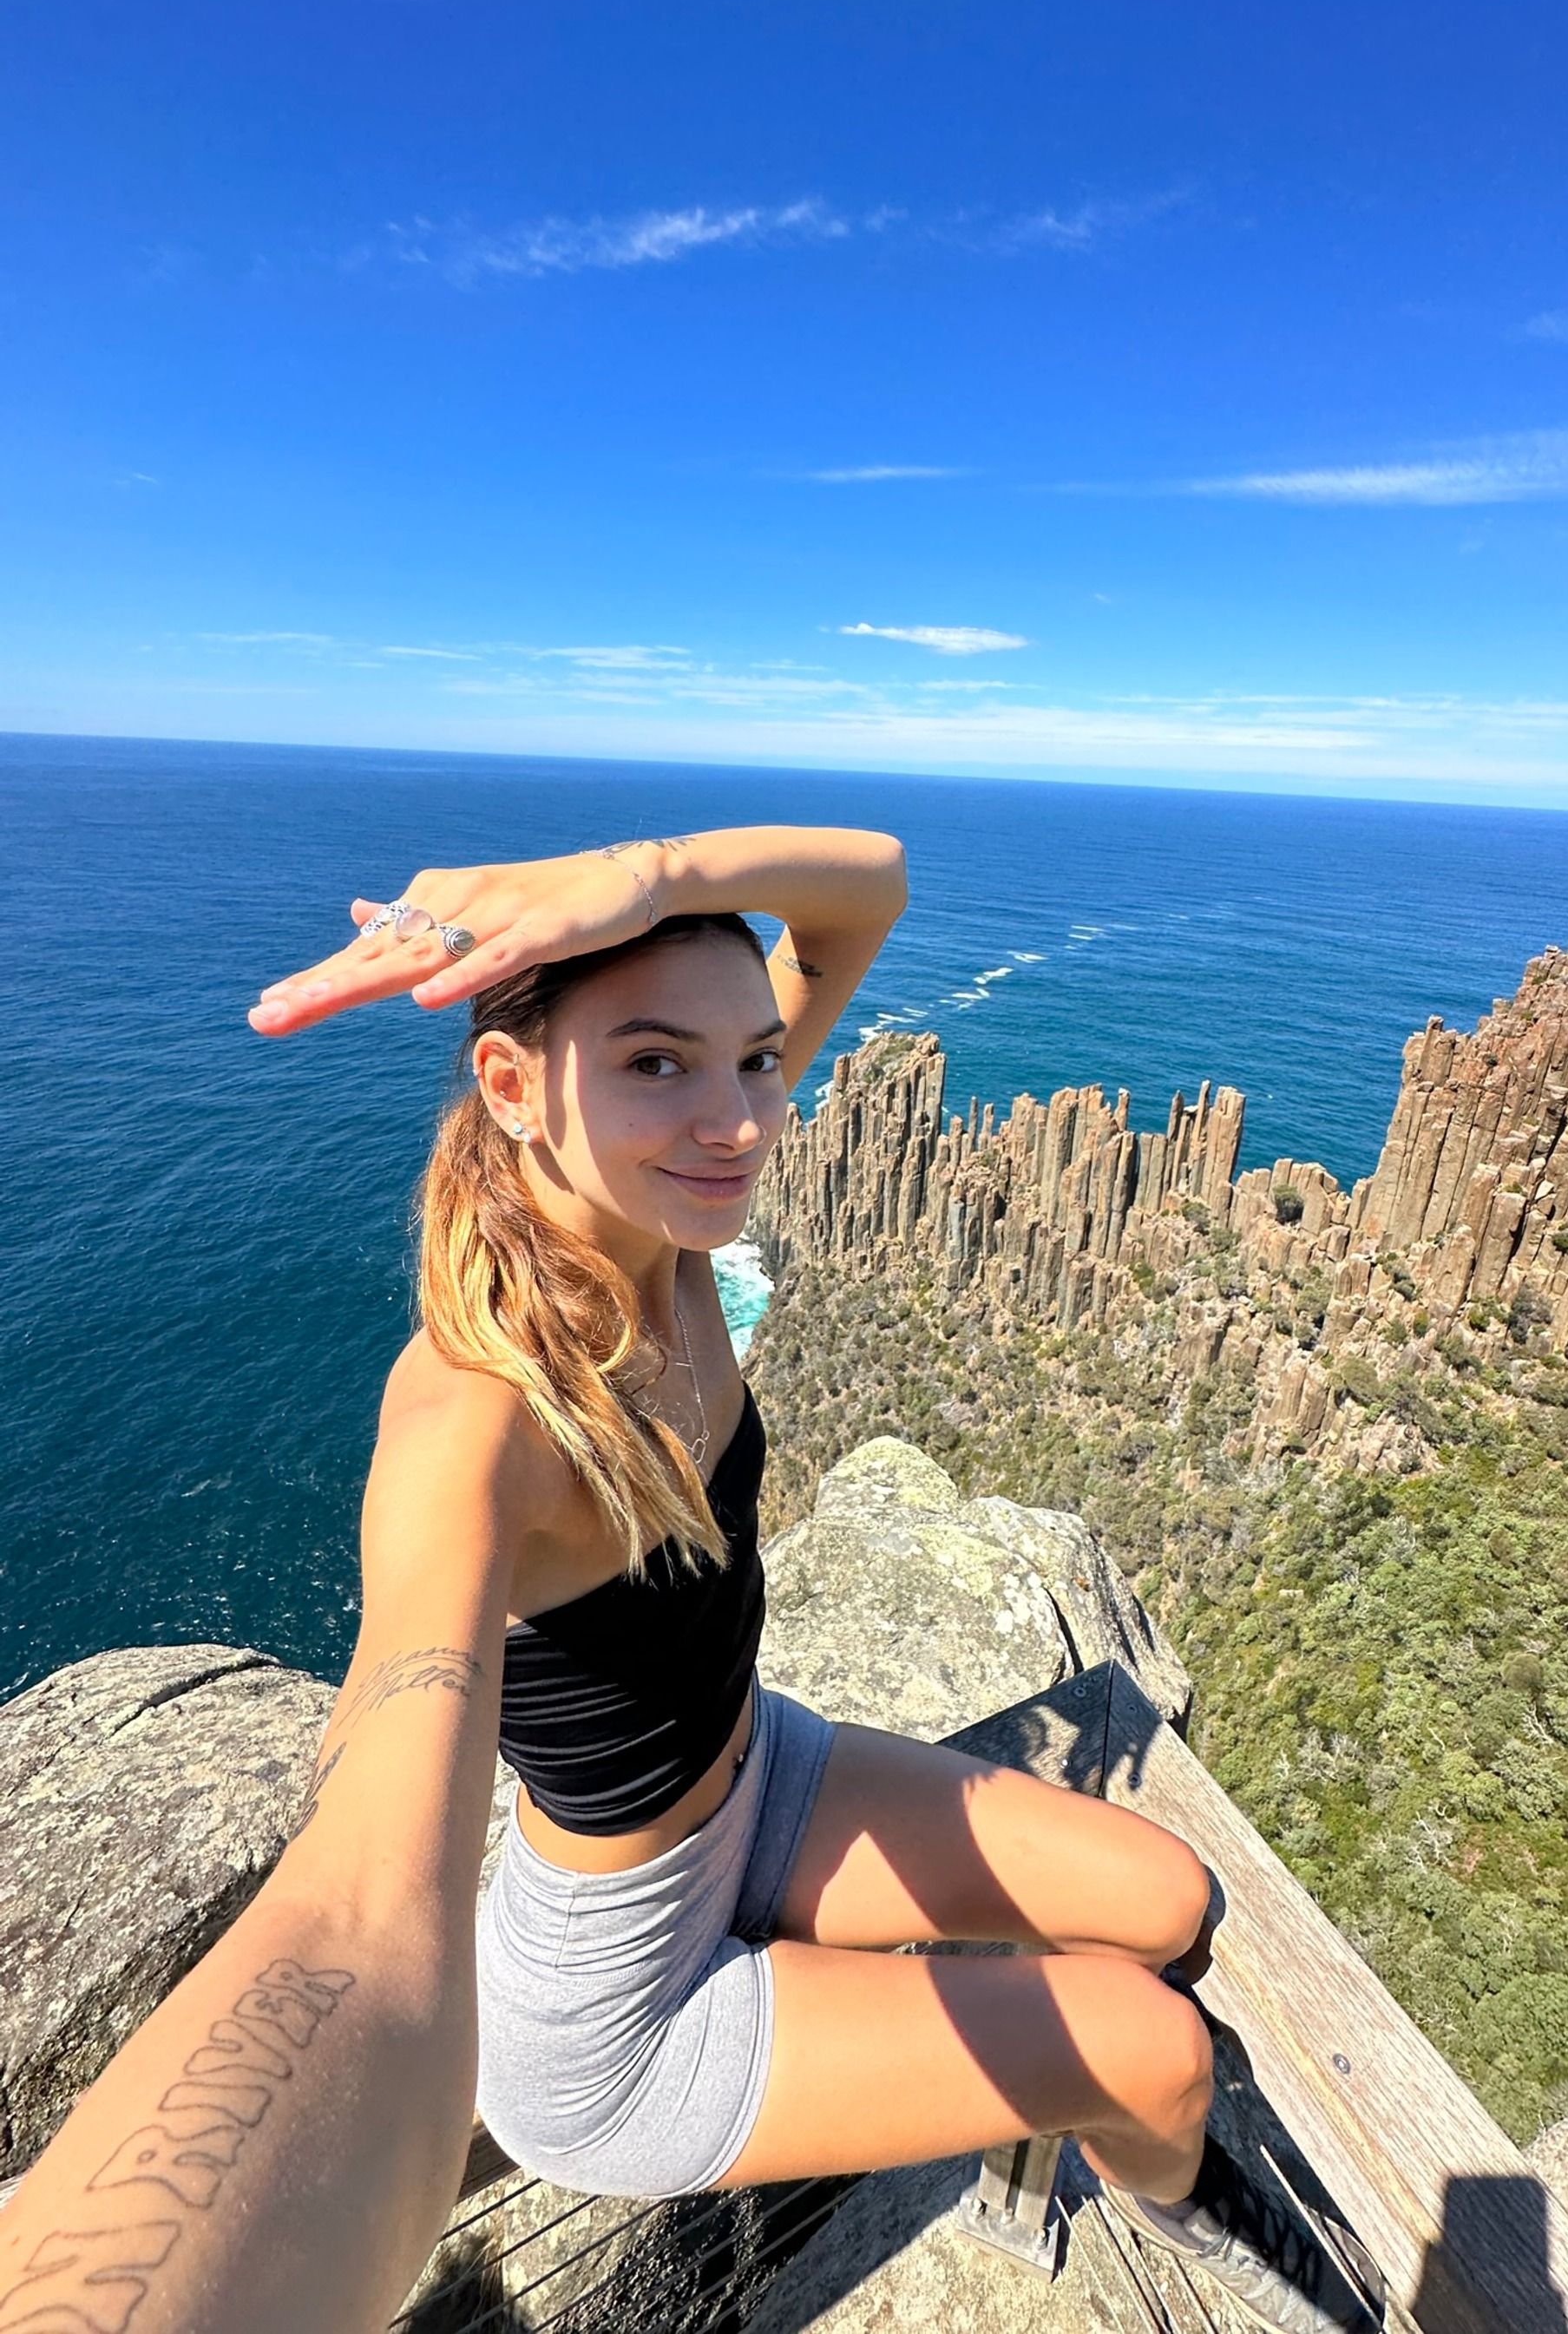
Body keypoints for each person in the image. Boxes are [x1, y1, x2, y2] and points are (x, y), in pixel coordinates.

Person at [0, 824, 1369, 2334]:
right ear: (513, 1086)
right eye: (655, 1062)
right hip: (622, 2008)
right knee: (1154, 2055)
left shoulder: (670, 1222)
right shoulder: (475, 1429)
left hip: (763, 1778)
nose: (737, 1121)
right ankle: (1199, 2219)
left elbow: (871, 888)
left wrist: (648, 877)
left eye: (759, 1061)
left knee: (1170, 1899)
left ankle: (1110, 2123)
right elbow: (361, 1899)